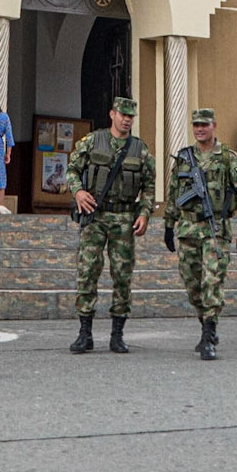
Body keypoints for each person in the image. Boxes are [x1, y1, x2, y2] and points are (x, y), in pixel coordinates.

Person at [66, 96, 156, 355]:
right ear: (112, 114)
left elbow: (149, 186)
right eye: (123, 115)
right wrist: (78, 192)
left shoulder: (140, 149)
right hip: (95, 216)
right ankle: (85, 333)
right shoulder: (93, 141)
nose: (127, 120)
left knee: (122, 276)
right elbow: (72, 169)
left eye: (131, 117)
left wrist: (145, 213)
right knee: (88, 272)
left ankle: (118, 334)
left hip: (124, 219)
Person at [164, 109, 237, 359]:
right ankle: (205, 321)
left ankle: (208, 333)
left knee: (212, 281)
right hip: (187, 229)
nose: (200, 129)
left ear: (214, 125)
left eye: (204, 124)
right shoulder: (184, 158)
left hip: (216, 229)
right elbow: (173, 192)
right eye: (196, 125)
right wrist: (168, 225)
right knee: (192, 283)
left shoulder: (228, 158)